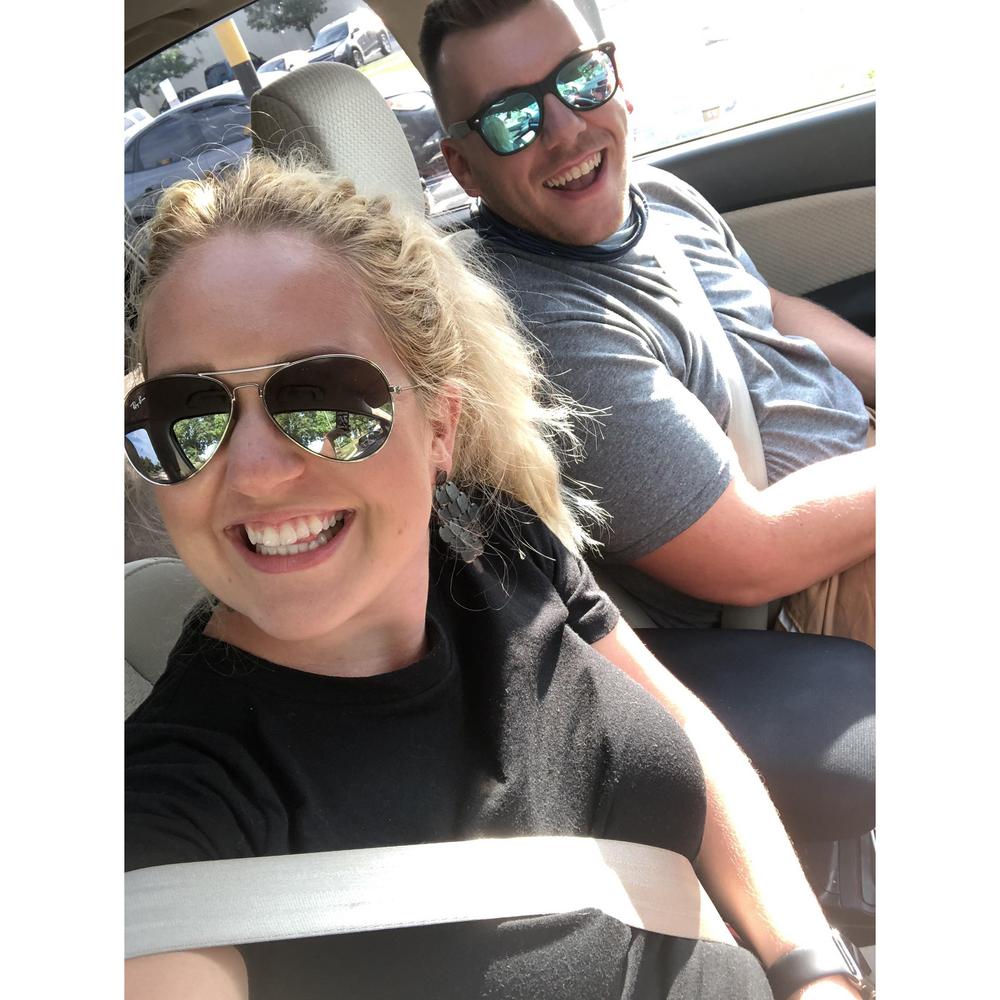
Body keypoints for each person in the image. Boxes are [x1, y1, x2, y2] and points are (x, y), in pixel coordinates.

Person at [124, 155, 867, 999]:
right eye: (187, 416)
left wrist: (812, 968)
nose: (255, 473)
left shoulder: (492, 539)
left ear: (440, 429)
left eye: (324, 398)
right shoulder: (172, 815)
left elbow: (686, 730)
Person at [419, 0, 877, 644]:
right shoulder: (535, 328)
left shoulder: (656, 194)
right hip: (813, 588)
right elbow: (755, 555)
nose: (565, 130)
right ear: (463, 166)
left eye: (580, 79)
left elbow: (767, 308)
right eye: (511, 118)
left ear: (617, 80)